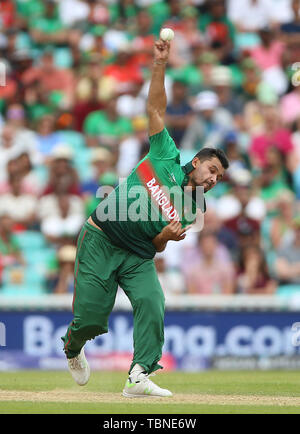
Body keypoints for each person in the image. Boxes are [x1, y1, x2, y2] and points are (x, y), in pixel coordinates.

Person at [61, 38, 229, 398]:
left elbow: (156, 247)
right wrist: (159, 64)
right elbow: (155, 108)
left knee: (153, 302)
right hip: (101, 239)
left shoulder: (194, 208)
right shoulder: (166, 153)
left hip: (138, 256)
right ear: (196, 162)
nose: (213, 180)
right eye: (212, 170)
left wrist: (166, 237)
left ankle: (139, 375)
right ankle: (73, 348)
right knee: (91, 318)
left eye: (219, 178)